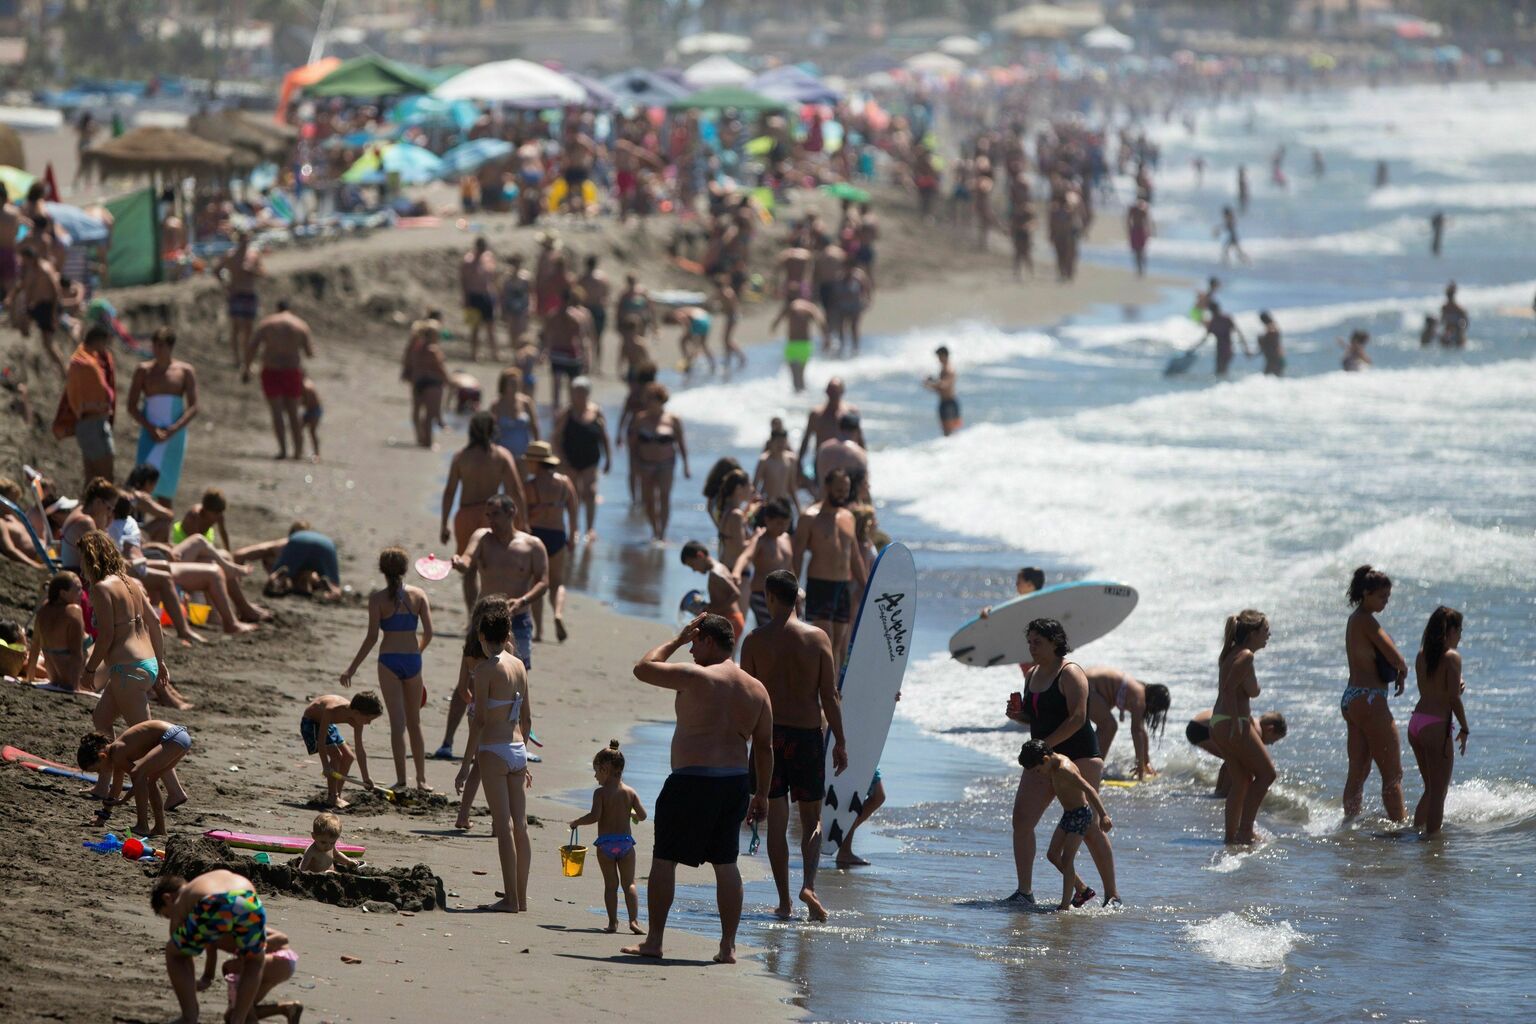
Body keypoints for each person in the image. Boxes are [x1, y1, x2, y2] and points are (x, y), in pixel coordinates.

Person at [624, 614, 772, 964]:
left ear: (708, 640)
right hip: (734, 783)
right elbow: (764, 748)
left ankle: (655, 940)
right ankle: (727, 947)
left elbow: (643, 668)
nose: (690, 649)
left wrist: (675, 639)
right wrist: (762, 793)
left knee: (665, 859)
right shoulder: (757, 689)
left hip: (691, 780)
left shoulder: (695, 676)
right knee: (726, 863)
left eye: (695, 641)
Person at [741, 569, 846, 921]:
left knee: (776, 820)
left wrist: (742, 744)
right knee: (813, 820)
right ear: (797, 596)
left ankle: (784, 901)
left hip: (769, 738)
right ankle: (809, 886)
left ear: (771, 597)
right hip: (806, 736)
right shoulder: (818, 639)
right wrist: (841, 741)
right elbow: (829, 696)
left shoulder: (755, 640)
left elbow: (748, 698)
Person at [1002, 619, 1114, 907]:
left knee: (1088, 828)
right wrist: (1018, 716)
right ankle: (1025, 892)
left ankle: (1112, 895)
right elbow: (1034, 716)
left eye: (1037, 642)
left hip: (1078, 757)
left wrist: (1046, 746)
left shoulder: (1070, 673)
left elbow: (1078, 718)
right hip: (1042, 760)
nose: (1032, 647)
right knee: (1022, 820)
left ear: (1055, 642)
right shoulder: (1032, 675)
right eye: (1029, 642)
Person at [441, 496, 548, 758]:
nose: (490, 520)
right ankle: (447, 743)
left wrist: (522, 600)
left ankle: (518, 743)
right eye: (487, 515)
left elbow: (544, 582)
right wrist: (459, 562)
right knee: (467, 676)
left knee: (516, 683)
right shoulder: (482, 537)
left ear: (512, 512)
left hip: (518, 620)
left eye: (495, 514)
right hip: (483, 619)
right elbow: (467, 559)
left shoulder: (532, 545)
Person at [459, 598, 535, 912]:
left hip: (494, 750)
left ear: (480, 636)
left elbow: (479, 721)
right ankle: (521, 897)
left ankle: (510, 899)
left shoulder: (484, 671)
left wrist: (465, 766)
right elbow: (528, 717)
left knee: (502, 827)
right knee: (521, 826)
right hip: (518, 749)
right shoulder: (519, 665)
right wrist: (526, 755)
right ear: (507, 636)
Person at [339, 548, 434, 791]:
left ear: (382, 570)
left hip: (388, 661)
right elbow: (429, 633)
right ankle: (422, 780)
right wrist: (417, 652)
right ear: (405, 568)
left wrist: (351, 669)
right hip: (413, 660)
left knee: (397, 723)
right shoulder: (419, 595)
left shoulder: (377, 599)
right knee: (415, 722)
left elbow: (372, 637)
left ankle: (402, 780)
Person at [151, 870, 268, 1024]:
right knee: (255, 960)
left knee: (174, 954)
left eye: (168, 915)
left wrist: (192, 983)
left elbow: (183, 951)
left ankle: (189, 1016)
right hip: (249, 901)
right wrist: (208, 975)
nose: (170, 919)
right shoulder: (207, 880)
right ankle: (238, 1019)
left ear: (168, 898)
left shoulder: (184, 897)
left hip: (213, 902)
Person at [1016, 739, 1117, 910]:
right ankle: (1083, 890)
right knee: (1052, 855)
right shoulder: (1052, 765)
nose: (1039, 774)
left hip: (1081, 815)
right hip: (1068, 815)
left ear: (1046, 760)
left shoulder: (1065, 769)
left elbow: (1090, 790)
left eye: (1038, 770)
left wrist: (1103, 815)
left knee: (1067, 859)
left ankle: (1064, 906)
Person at [441, 411, 528, 609]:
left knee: (469, 568)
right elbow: (515, 490)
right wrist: (523, 520)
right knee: (492, 566)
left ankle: (472, 615)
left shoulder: (461, 457)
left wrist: (444, 524)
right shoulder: (501, 456)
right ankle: (491, 613)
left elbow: (449, 492)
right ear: (492, 430)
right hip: (492, 515)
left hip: (465, 515)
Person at [1342, 565, 1408, 821]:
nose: (1385, 602)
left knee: (1357, 772)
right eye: (1382, 597)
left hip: (1351, 698)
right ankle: (1401, 826)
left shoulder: (1354, 620)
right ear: (1366, 593)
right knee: (1393, 775)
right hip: (1370, 698)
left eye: (1387, 598)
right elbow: (1397, 658)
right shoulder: (1367, 621)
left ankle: (1348, 825)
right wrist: (1402, 672)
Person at [567, 740, 648, 934]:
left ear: (605, 770)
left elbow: (594, 817)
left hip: (605, 846)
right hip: (626, 845)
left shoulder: (600, 793)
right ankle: (634, 921)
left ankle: (613, 923)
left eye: (596, 771)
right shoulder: (630, 792)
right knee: (629, 883)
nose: (595, 776)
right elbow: (643, 816)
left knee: (611, 886)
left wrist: (577, 821)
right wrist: (633, 815)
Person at [1210, 610, 1276, 844]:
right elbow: (1229, 690)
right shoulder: (1246, 655)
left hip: (1219, 722)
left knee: (1241, 780)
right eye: (1265, 631)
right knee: (1268, 774)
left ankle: (1231, 836)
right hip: (1232, 722)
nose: (1268, 636)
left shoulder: (1232, 653)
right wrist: (1238, 723)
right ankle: (1245, 831)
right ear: (1253, 633)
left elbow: (1237, 687)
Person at [791, 469, 866, 671]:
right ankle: (819, 691)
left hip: (843, 586)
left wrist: (866, 586)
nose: (843, 494)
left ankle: (832, 692)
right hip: (820, 584)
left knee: (839, 643)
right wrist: (793, 589)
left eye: (846, 490)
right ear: (827, 487)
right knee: (823, 642)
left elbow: (855, 555)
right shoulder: (809, 517)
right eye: (839, 489)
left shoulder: (848, 517)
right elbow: (797, 555)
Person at [1409, 606, 1469, 837]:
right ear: (1449, 630)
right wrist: (1464, 727)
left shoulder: (1422, 655)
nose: (1460, 635)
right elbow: (1452, 699)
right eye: (1459, 630)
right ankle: (1430, 844)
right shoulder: (1452, 657)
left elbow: (1433, 688)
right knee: (1439, 792)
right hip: (1436, 726)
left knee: (1430, 789)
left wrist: (1457, 683)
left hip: (1416, 722)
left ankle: (1416, 833)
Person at [78, 719, 192, 836]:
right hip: (181, 737)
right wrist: (103, 816)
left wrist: (124, 800)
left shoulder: (118, 752)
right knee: (151, 781)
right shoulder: (115, 754)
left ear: (102, 756)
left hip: (172, 737)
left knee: (140, 776)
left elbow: (138, 779)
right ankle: (159, 829)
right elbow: (116, 788)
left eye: (98, 770)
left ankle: (142, 825)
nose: (99, 773)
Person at [127, 328, 198, 502]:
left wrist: (174, 428)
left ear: (170, 347)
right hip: (150, 432)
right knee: (141, 483)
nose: (157, 350)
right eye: (155, 345)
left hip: (174, 435)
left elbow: (194, 406)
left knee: (166, 485)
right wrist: (150, 428)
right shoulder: (143, 370)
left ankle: (162, 525)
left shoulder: (185, 371)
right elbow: (132, 406)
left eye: (161, 346)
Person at [241, 301, 314, 460]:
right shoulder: (300, 325)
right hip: (292, 371)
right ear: (291, 309)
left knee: (276, 412)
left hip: (271, 370)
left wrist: (246, 368)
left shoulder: (267, 323)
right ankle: (298, 452)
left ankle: (282, 450)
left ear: (277, 308)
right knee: (294, 412)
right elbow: (309, 353)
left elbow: (252, 346)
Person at [522, 441, 578, 642]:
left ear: (537, 463)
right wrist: (573, 535)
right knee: (557, 582)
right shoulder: (564, 482)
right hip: (557, 535)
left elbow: (522, 515)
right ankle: (558, 614)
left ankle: (539, 632)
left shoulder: (529, 486)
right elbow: (573, 508)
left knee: (537, 582)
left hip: (536, 535)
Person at [628, 382, 689, 542]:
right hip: (645, 464)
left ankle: (663, 533)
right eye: (648, 400)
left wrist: (686, 466)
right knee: (648, 499)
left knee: (664, 497)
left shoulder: (673, 419)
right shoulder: (640, 419)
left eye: (653, 400)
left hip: (666, 464)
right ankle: (654, 530)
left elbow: (681, 443)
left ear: (661, 401)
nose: (650, 404)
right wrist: (634, 465)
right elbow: (633, 444)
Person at [300, 691, 382, 809]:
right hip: (311, 722)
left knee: (349, 757)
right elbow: (321, 740)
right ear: (356, 712)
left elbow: (359, 748)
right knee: (336, 755)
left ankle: (336, 794)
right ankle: (332, 797)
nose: (369, 723)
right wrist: (326, 767)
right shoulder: (332, 710)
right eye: (368, 719)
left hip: (328, 724)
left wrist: (366, 777)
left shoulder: (357, 719)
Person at [1083, 667, 1170, 779]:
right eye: (1155, 709)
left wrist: (1146, 762)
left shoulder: (1137, 689)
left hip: (1085, 683)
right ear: (1153, 700)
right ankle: (1093, 769)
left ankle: (1089, 763)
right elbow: (1136, 731)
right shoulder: (1139, 697)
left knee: (1103, 726)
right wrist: (1139, 764)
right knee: (1109, 726)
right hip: (1086, 685)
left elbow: (1141, 731)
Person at [552, 377, 610, 543]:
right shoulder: (566, 413)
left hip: (591, 457)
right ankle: (574, 528)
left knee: (590, 491)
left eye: (582, 392)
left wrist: (608, 458)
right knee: (574, 493)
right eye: (576, 392)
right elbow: (556, 437)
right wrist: (561, 459)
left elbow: (604, 436)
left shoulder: (596, 411)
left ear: (587, 393)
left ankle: (590, 528)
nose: (578, 396)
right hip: (570, 458)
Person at [1186, 708, 1287, 797]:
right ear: (1270, 729)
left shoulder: (1253, 722)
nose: (1272, 744)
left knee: (1232, 759)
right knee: (1238, 760)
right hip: (1202, 730)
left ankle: (1220, 791)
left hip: (1196, 725)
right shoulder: (1256, 730)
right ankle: (1222, 794)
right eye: (1275, 739)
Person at [64, 323, 118, 485]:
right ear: (98, 340)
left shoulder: (89, 359)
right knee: (104, 478)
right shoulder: (83, 363)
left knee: (93, 479)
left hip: (96, 423)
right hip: (91, 424)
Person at [215, 930, 302, 1024]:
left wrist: (254, 948)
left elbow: (283, 938)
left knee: (243, 1009)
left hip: (279, 958)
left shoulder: (242, 923)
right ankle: (287, 1008)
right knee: (234, 1013)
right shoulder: (210, 930)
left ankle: (250, 1018)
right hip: (271, 965)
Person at [733, 499, 795, 629]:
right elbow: (746, 556)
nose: (783, 527)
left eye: (786, 523)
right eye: (779, 523)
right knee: (771, 630)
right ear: (767, 520)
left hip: (785, 594)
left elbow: (789, 567)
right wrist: (736, 573)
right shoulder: (760, 539)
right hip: (763, 594)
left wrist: (796, 588)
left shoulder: (786, 538)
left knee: (786, 631)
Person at [24, 571, 87, 691]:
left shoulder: (43, 609)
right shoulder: (74, 611)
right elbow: (76, 654)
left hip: (53, 677)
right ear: (63, 593)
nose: (82, 594)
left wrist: (29, 678)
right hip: (73, 679)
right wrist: (75, 688)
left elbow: (35, 646)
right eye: (78, 590)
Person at [797, 379, 863, 485]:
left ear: (842, 392)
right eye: (831, 391)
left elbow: (860, 439)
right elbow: (806, 440)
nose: (833, 395)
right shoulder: (817, 414)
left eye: (836, 392)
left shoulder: (851, 412)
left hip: (847, 461)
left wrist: (863, 462)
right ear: (826, 392)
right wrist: (798, 464)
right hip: (823, 461)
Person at [16, 245, 66, 374]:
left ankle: (64, 370)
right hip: (37, 306)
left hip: (47, 307)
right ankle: (25, 356)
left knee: (48, 343)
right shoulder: (30, 270)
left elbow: (56, 291)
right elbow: (28, 290)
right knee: (22, 324)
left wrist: (54, 312)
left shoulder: (45, 269)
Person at [681, 539, 744, 642]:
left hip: (732, 620)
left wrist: (715, 611)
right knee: (721, 654)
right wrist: (708, 606)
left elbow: (736, 593)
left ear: (700, 555)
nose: (694, 570)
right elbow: (723, 596)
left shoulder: (716, 572)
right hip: (730, 619)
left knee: (719, 655)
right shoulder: (717, 568)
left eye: (692, 565)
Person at [542, 289, 593, 411]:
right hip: (569, 353)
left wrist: (545, 351)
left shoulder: (553, 315)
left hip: (558, 352)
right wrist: (586, 358)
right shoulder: (576, 317)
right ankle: (569, 411)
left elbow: (546, 336)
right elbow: (581, 340)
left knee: (557, 386)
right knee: (571, 386)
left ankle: (557, 411)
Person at [218, 230, 264, 367]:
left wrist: (252, 270)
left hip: (249, 294)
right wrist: (226, 285)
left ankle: (246, 359)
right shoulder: (231, 255)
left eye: (247, 239)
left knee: (248, 329)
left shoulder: (254, 255)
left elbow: (263, 272)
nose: (245, 241)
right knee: (236, 328)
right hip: (236, 294)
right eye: (243, 239)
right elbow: (216, 270)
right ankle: (236, 359)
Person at [402, 319, 449, 448]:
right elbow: (440, 368)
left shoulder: (416, 348)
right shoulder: (433, 350)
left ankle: (419, 437)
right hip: (432, 383)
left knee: (417, 410)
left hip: (418, 383)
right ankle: (428, 441)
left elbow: (410, 363)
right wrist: (448, 381)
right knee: (430, 413)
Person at [263, 524, 342, 601]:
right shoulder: (318, 538)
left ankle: (278, 581)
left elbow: (259, 550)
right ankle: (329, 591)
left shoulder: (287, 542)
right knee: (333, 586)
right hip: (327, 544)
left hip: (297, 548)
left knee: (280, 576)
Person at [771, 296, 825, 393]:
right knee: (801, 375)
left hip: (793, 344)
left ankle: (797, 395)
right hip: (805, 345)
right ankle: (802, 396)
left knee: (795, 377)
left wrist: (773, 329)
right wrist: (825, 338)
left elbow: (777, 321)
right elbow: (821, 322)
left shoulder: (791, 306)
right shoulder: (810, 307)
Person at [460, 237, 498, 362]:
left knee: (491, 325)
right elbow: (464, 281)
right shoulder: (468, 260)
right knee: (475, 326)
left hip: (487, 294)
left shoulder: (489, 257)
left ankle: (494, 353)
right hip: (474, 295)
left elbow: (493, 277)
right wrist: (465, 298)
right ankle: (474, 353)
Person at [490, 366, 539, 460]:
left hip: (523, 454)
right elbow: (491, 431)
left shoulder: (526, 402)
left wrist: (538, 449)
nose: (515, 386)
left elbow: (534, 427)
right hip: (503, 455)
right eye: (512, 383)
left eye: (517, 382)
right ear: (504, 385)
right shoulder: (496, 405)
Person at [753, 420, 801, 517]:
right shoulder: (764, 460)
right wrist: (752, 508)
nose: (780, 445)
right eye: (778, 442)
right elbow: (755, 486)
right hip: (768, 504)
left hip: (784, 505)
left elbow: (791, 487)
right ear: (771, 442)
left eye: (783, 442)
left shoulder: (791, 460)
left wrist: (799, 509)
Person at [1195, 301, 1251, 377]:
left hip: (1222, 350)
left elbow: (1205, 338)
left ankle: (1224, 387)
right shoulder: (1225, 319)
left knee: (1220, 372)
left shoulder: (1214, 322)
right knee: (1222, 372)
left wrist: (1194, 347)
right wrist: (1246, 348)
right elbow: (1239, 333)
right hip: (1228, 350)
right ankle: (1225, 386)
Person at [577, 256, 611, 373]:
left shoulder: (582, 278)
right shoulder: (602, 278)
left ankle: (586, 363)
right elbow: (606, 295)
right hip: (597, 308)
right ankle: (597, 365)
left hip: (587, 308)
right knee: (598, 338)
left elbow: (578, 294)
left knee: (584, 337)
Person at [924, 346, 961, 436]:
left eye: (939, 356)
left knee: (950, 431)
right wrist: (929, 385)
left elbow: (945, 385)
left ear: (944, 356)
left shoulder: (949, 370)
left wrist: (932, 383)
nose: (938, 359)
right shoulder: (942, 370)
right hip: (943, 403)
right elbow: (940, 389)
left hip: (950, 403)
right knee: (946, 432)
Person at [500, 253, 533, 350]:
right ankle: (514, 351)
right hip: (510, 306)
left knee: (522, 331)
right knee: (512, 331)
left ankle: (522, 351)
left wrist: (531, 306)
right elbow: (503, 295)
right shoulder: (506, 278)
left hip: (522, 306)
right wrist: (503, 309)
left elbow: (531, 293)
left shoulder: (526, 277)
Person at [1126, 198, 1154, 276]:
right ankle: (1140, 269)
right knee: (1137, 251)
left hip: (1140, 231)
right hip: (1136, 231)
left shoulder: (1143, 209)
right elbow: (1128, 220)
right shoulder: (1134, 209)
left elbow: (1148, 221)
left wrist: (1149, 232)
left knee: (1141, 251)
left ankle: (1141, 269)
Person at [1439, 281, 1468, 348]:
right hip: (1448, 331)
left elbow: (1465, 321)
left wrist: (1461, 329)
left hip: (1457, 331)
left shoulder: (1459, 309)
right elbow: (1442, 321)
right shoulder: (1444, 308)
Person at [1256, 311, 1285, 377]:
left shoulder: (1271, 327)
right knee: (1273, 378)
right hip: (1276, 357)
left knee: (1268, 377)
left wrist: (1261, 338)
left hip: (1274, 359)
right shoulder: (1273, 326)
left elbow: (1272, 335)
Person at [300, 376, 322, 458]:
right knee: (299, 429)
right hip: (309, 410)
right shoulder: (305, 384)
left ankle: (317, 453)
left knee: (312, 431)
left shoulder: (306, 386)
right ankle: (300, 450)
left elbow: (307, 403)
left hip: (315, 410)